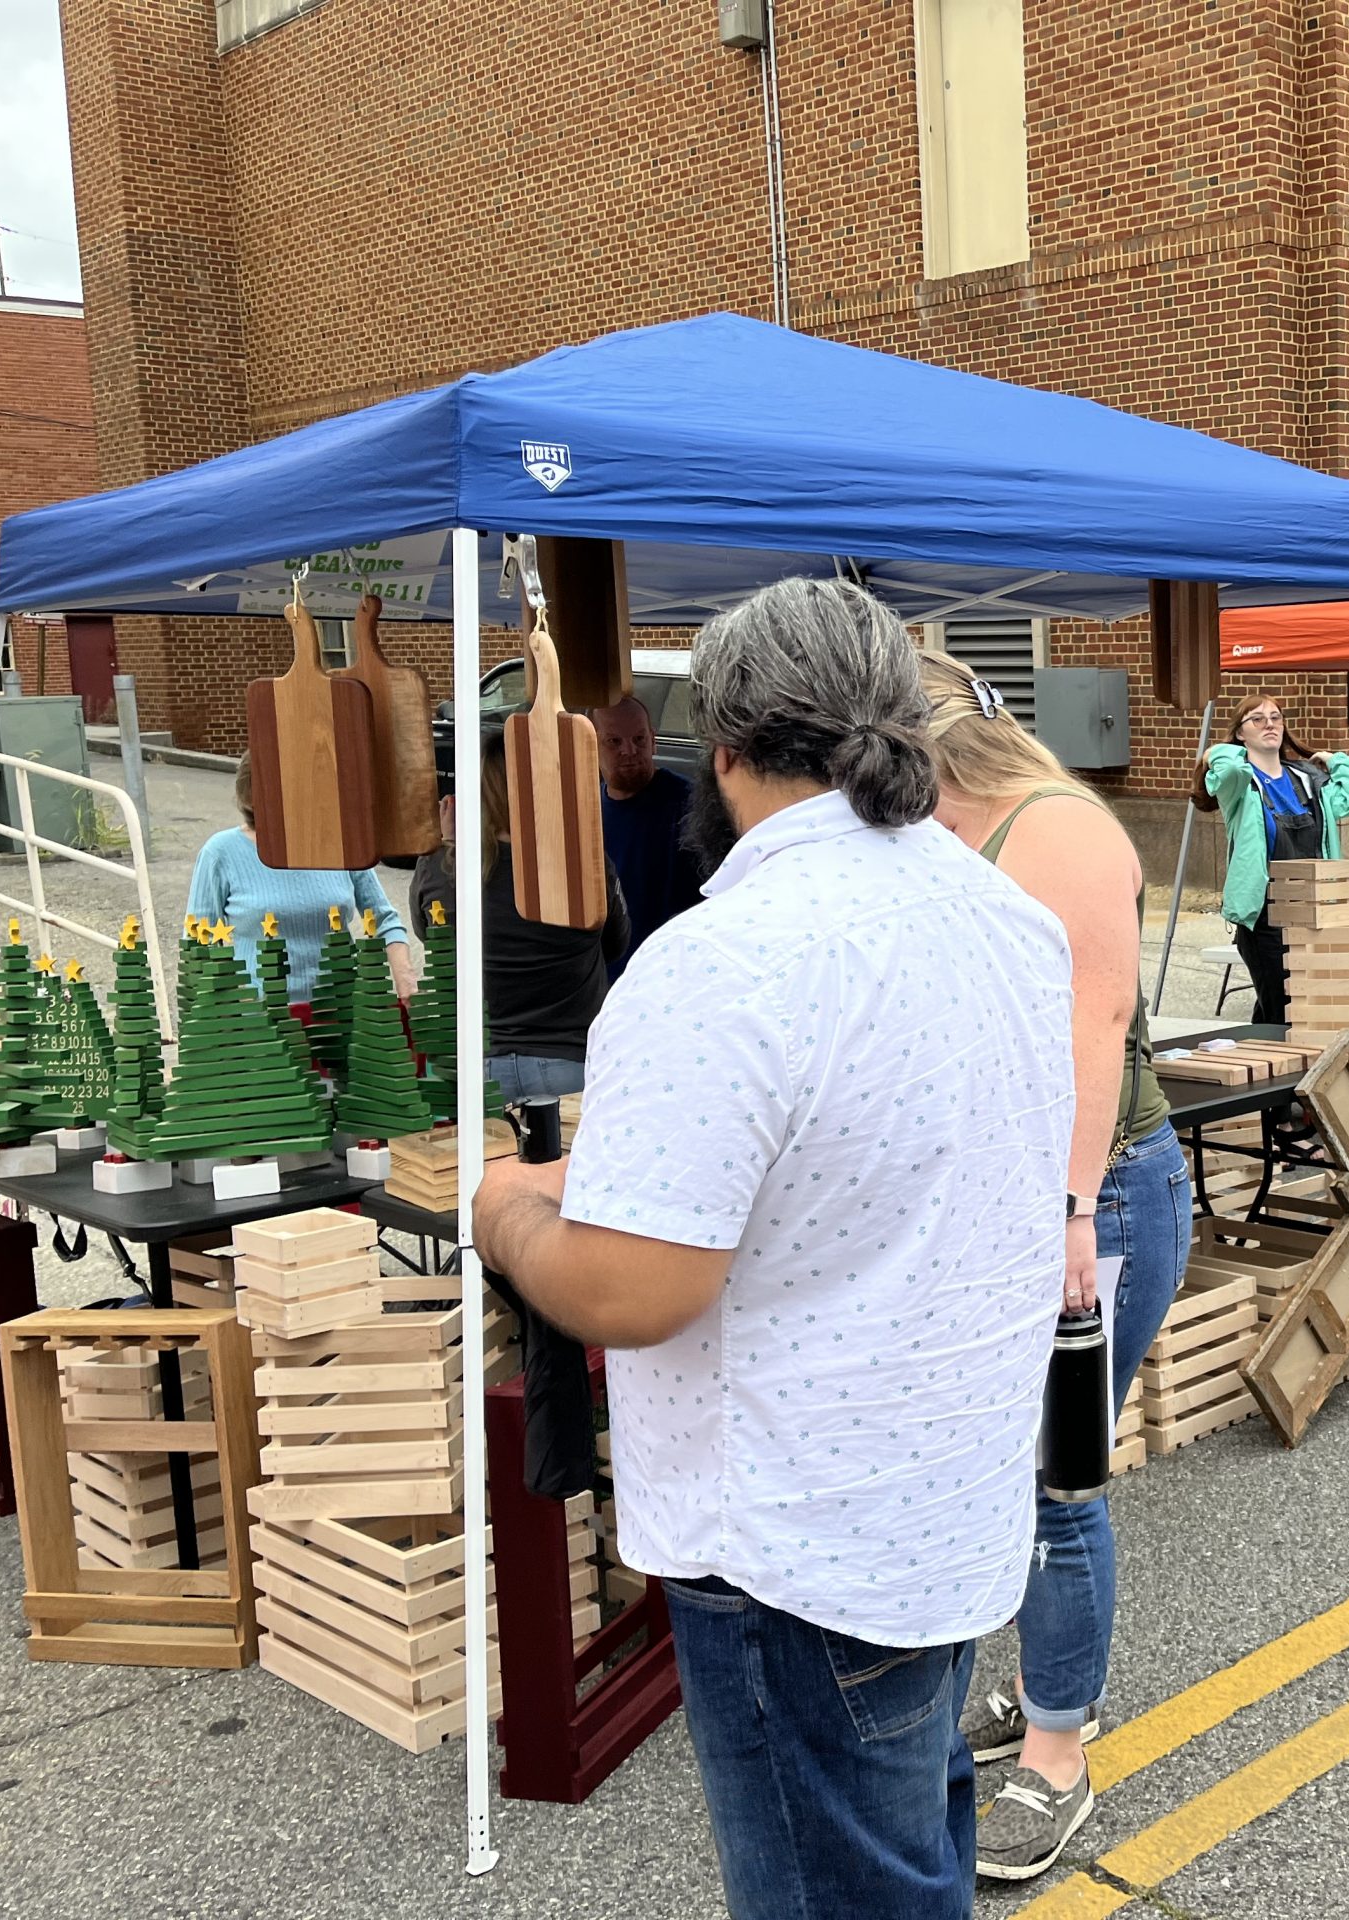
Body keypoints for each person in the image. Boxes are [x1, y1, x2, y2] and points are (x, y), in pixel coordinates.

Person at [471, 576, 1073, 1920]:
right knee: (912, 1857)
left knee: (840, 1889)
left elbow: (630, 1290)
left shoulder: (723, 958)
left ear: (724, 750)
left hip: (800, 1546)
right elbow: (870, 1158)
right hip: (942, 1504)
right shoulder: (1003, 920)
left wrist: (506, 1211)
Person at [916, 652, 1192, 1883]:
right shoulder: (948, 835)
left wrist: (1069, 1213)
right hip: (1013, 1201)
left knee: (1053, 1481)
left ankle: (1059, 1755)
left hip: (1093, 1195)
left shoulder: (1060, 828)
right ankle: (1035, 1694)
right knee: (1004, 1471)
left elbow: (1091, 1036)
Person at [410, 730, 628, 1099]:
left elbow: (429, 935)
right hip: (569, 1064)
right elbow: (617, 942)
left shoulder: (445, 868)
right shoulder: (583, 863)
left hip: (477, 1067)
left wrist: (447, 844)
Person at [1199, 692, 1349, 1024]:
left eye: (1276, 717)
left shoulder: (1308, 781)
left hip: (1312, 910)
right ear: (1240, 733)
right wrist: (1217, 751)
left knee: (1298, 1006)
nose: (1270, 724)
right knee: (1285, 1009)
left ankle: (1264, 1063)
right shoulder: (1240, 784)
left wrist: (1333, 758)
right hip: (1265, 915)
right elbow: (1229, 769)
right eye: (1258, 719)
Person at [187, 753, 414, 1005]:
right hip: (259, 1021)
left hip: (342, 1012)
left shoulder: (342, 843)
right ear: (252, 794)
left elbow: (386, 920)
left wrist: (405, 981)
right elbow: (198, 943)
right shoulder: (219, 852)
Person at [594, 693, 703, 972]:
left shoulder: (693, 806)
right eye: (614, 741)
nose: (629, 751)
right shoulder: (586, 815)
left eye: (639, 739)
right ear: (591, 747)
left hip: (677, 973)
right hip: (611, 981)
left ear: (653, 740)